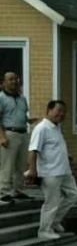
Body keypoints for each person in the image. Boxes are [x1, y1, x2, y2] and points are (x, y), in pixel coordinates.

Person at [26, 100, 77, 240]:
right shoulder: (41, 128)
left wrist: (66, 156)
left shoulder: (56, 128)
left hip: (64, 170)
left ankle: (54, 222)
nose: (61, 114)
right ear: (49, 111)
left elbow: (54, 147)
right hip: (50, 172)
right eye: (58, 111)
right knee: (52, 202)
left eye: (63, 112)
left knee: (74, 195)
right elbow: (33, 150)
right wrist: (32, 170)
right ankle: (44, 230)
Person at [0, 72, 32, 203]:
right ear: (4, 82)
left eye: (16, 79)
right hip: (9, 134)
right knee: (7, 165)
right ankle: (3, 192)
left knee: (21, 164)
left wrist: (29, 120)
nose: (14, 81)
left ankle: (18, 190)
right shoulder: (1, 97)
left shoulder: (22, 98)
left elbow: (22, 115)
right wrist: (2, 137)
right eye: (11, 79)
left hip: (23, 133)